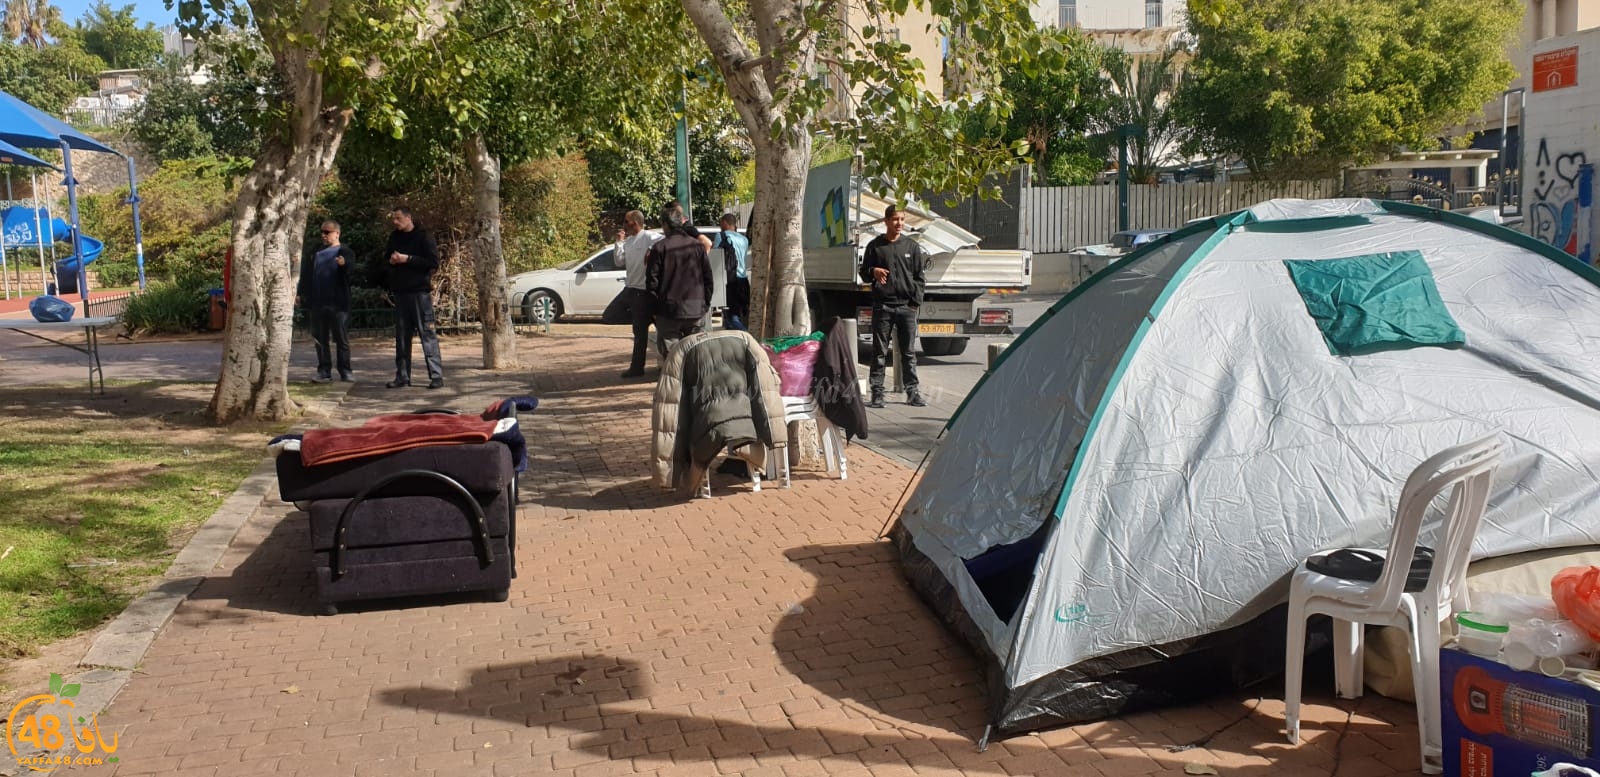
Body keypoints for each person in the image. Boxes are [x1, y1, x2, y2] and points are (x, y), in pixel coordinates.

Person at [859, 203, 927, 408]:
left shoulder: (912, 247)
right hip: (883, 306)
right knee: (879, 352)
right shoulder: (875, 246)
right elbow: (863, 273)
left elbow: (919, 278)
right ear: (886, 221)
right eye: (896, 219)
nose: (900, 223)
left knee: (908, 352)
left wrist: (914, 304)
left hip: (906, 307)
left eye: (902, 219)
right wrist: (873, 272)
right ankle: (877, 394)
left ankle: (912, 393)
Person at [382, 207, 445, 389]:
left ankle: (436, 376)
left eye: (398, 218)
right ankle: (402, 376)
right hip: (401, 293)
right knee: (402, 337)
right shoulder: (394, 237)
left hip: (419, 293)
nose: (395, 222)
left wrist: (408, 259)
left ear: (409, 218)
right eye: (393, 218)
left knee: (427, 334)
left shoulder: (424, 236)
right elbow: (386, 259)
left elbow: (433, 263)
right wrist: (392, 261)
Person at [645, 201, 713, 358]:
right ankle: (693, 382)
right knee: (696, 356)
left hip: (668, 311)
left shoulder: (659, 248)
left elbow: (651, 282)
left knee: (674, 359)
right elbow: (708, 278)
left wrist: (655, 309)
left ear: (665, 225)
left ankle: (678, 382)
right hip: (696, 309)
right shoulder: (697, 246)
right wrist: (705, 304)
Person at [296, 220, 354, 383]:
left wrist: (344, 265)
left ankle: (345, 370)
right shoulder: (316, 252)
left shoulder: (345, 252)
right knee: (320, 339)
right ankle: (324, 370)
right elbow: (306, 275)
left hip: (338, 303)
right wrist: (301, 293)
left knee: (341, 339)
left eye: (327, 232)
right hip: (318, 302)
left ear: (337, 233)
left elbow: (351, 274)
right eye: (322, 232)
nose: (323, 235)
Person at [610, 209, 662, 378]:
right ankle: (644, 318)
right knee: (610, 315)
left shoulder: (648, 236)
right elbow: (619, 261)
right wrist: (619, 242)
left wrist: (651, 249)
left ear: (635, 222)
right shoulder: (629, 241)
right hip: (630, 288)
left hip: (643, 290)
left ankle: (637, 367)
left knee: (639, 332)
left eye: (626, 221)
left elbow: (664, 241)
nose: (624, 225)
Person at [712, 212, 750, 330]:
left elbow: (715, 255)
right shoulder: (744, 239)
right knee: (737, 314)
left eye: (720, 223)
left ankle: (747, 337)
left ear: (724, 222)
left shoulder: (721, 236)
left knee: (731, 316)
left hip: (729, 280)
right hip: (743, 281)